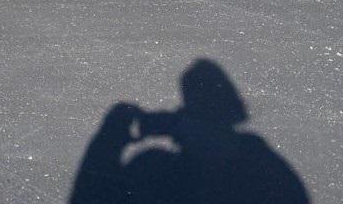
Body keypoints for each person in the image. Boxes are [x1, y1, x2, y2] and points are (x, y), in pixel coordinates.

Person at [70, 59, 309, 204]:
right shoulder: (264, 166)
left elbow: (88, 196)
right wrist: (181, 125)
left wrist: (109, 137)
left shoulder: (155, 173)